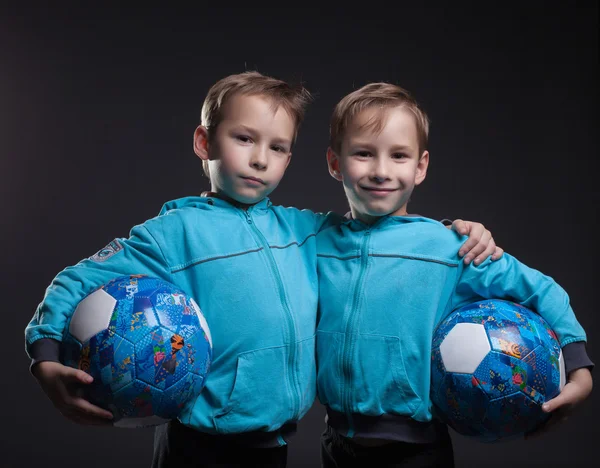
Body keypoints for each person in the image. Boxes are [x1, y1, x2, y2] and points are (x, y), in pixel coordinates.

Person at [25, 71, 500, 468]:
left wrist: (454, 232)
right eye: (244, 139)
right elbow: (78, 279)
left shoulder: (304, 230)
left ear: (290, 158)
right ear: (204, 140)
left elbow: (376, 235)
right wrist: (45, 357)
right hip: (199, 443)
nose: (259, 159)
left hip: (273, 445)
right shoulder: (173, 233)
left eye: (277, 148)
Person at [316, 82, 594, 467]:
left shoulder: (450, 246)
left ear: (421, 166)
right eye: (363, 153)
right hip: (336, 443)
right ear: (334, 162)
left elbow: (541, 290)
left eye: (399, 156)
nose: (381, 170)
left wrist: (579, 369)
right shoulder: (317, 243)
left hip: (415, 449)